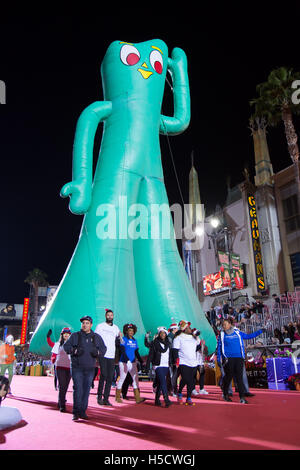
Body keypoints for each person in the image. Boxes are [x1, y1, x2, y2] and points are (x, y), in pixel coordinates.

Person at [64, 315, 106, 421]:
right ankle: (76, 412)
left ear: (91, 325)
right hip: (77, 367)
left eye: (87, 323)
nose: (85, 325)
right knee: (78, 389)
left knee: (86, 390)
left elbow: (104, 349)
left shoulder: (96, 337)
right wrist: (75, 351)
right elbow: (66, 346)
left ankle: (83, 411)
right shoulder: (75, 335)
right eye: (83, 323)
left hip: (90, 368)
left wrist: (97, 352)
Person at [217, 316, 265, 404]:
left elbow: (248, 336)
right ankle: (225, 393)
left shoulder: (237, 332)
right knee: (229, 377)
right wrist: (219, 359)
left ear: (230, 324)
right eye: (223, 325)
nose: (224, 326)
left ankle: (242, 397)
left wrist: (260, 331)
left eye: (226, 324)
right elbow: (219, 347)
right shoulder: (222, 334)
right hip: (228, 358)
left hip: (239, 357)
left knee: (239, 378)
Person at [95, 309, 122, 406]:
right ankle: (99, 397)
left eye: (111, 315)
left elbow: (119, 338)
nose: (110, 317)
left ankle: (106, 398)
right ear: (105, 316)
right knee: (103, 375)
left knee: (110, 377)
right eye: (108, 315)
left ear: (113, 316)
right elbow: (95, 338)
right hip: (103, 354)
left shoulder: (115, 327)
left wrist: (120, 336)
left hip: (111, 355)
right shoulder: (100, 326)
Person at [115, 323, 145, 404]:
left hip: (133, 362)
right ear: (126, 331)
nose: (131, 332)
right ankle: (117, 397)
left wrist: (141, 361)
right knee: (122, 378)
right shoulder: (123, 339)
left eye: (132, 331)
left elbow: (136, 352)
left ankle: (137, 398)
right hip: (124, 362)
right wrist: (126, 357)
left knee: (135, 379)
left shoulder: (135, 340)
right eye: (129, 331)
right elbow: (122, 349)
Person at [172, 320, 199, 406]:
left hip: (193, 362)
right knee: (187, 379)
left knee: (191, 381)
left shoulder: (193, 337)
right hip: (183, 362)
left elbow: (197, 347)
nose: (190, 329)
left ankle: (188, 397)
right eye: (188, 327)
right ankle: (180, 393)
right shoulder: (178, 338)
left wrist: (198, 339)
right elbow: (175, 350)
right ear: (184, 329)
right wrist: (176, 361)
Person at [146, 327, 172, 407]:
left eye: (164, 333)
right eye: (161, 333)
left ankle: (157, 400)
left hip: (166, 365)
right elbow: (151, 355)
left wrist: (171, 362)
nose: (162, 335)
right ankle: (166, 399)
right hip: (158, 365)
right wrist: (147, 366)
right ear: (159, 334)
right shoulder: (155, 343)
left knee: (160, 383)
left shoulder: (168, 343)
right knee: (163, 381)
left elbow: (169, 354)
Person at [51, 327, 72, 412]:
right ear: (62, 335)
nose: (66, 335)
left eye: (68, 333)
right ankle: (62, 405)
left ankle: (60, 401)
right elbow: (53, 355)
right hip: (60, 367)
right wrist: (53, 360)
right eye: (65, 333)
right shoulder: (58, 344)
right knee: (62, 386)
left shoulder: (72, 344)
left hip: (69, 367)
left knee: (66, 386)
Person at [191, 331, 209, 397]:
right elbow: (193, 349)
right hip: (193, 361)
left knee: (202, 374)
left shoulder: (199, 339)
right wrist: (200, 345)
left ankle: (201, 388)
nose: (197, 335)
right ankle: (193, 389)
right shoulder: (191, 340)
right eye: (196, 334)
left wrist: (204, 346)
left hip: (200, 361)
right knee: (194, 376)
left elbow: (205, 352)